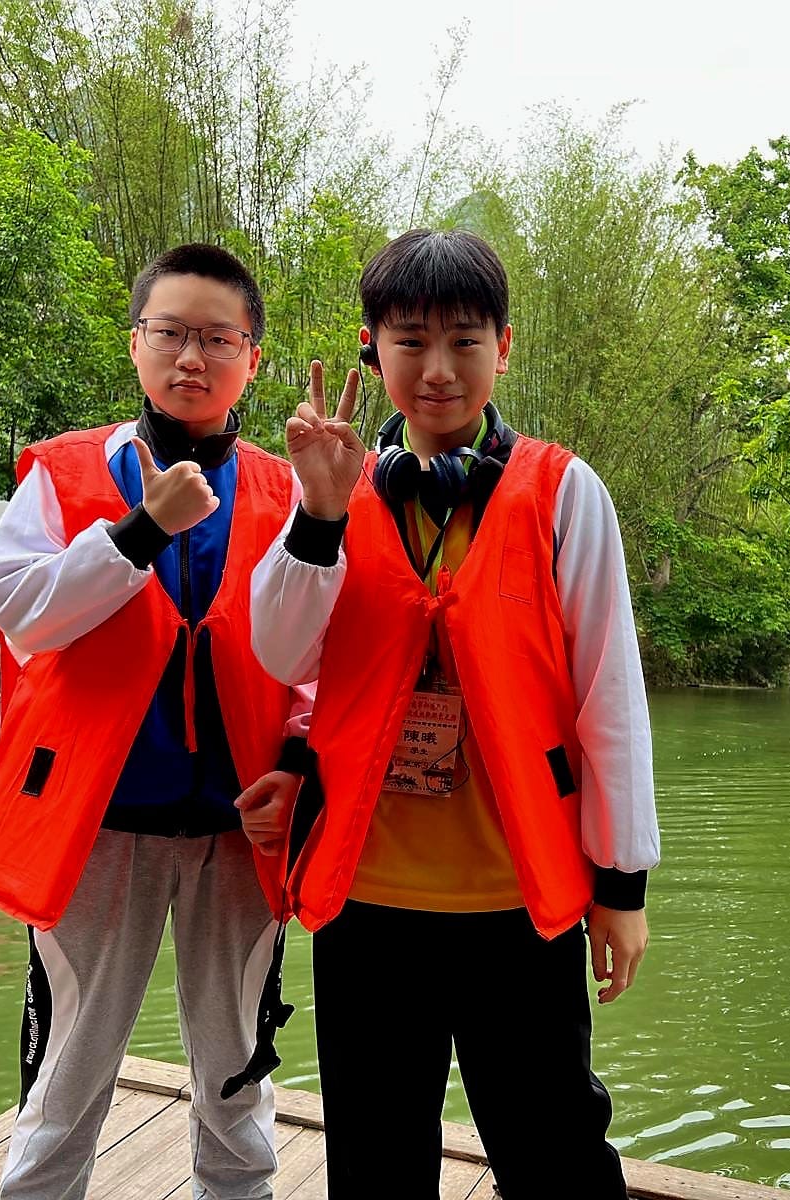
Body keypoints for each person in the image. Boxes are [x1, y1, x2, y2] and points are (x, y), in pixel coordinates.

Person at [246, 228, 660, 1198]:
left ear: (503, 348)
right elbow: (279, 653)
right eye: (411, 341)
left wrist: (621, 885)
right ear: (371, 349)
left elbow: (610, 697)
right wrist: (317, 514)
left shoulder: (563, 492)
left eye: (464, 341)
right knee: (376, 1165)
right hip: (367, 900)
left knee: (554, 1156)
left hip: (520, 899)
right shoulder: (332, 488)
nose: (437, 369)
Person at [0, 243, 311, 1200]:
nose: (192, 357)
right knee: (68, 1074)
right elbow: (19, 611)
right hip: (95, 823)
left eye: (217, 338)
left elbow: (316, 654)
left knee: (236, 1074)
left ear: (252, 358)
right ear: (136, 343)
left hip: (239, 828)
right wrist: (140, 531)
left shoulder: (286, 490)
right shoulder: (67, 470)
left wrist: (298, 759)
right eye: (171, 333)